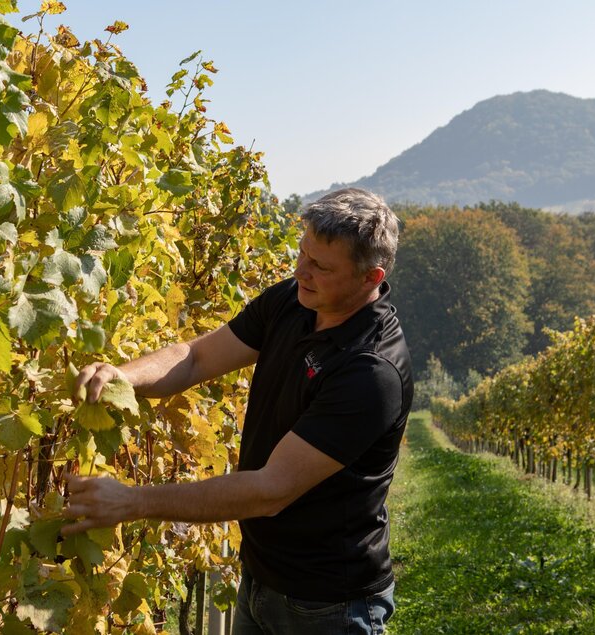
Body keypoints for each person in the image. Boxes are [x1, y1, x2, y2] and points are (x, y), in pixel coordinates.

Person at [62, 187, 412, 634]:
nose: (301, 270)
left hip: (329, 605)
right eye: (302, 253)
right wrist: (123, 377)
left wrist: (135, 500)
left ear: (370, 277)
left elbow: (270, 491)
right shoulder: (294, 300)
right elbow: (195, 357)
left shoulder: (370, 371)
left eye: (321, 266)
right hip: (261, 579)